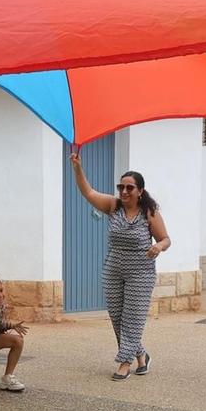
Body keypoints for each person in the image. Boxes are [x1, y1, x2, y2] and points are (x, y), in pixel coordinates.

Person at [68, 152, 170, 378]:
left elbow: (166, 239)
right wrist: (77, 168)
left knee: (132, 318)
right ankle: (141, 355)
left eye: (129, 188)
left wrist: (158, 247)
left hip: (140, 273)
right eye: (121, 187)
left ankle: (125, 363)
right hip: (113, 269)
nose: (124, 191)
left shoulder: (149, 213)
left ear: (140, 191)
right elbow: (88, 192)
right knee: (117, 317)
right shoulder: (113, 207)